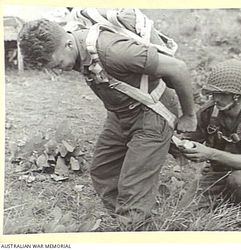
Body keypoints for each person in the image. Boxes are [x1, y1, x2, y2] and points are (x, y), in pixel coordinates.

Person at [18, 17, 197, 224]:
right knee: (104, 171)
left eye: (58, 64)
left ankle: (134, 223)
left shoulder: (112, 51)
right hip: (121, 114)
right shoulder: (75, 48)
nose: (58, 70)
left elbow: (178, 68)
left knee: (133, 188)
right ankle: (130, 218)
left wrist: (189, 116)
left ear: (68, 43)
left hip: (152, 114)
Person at [178, 59, 241, 214]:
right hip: (218, 173)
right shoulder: (209, 111)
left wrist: (210, 153)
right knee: (184, 212)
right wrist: (182, 145)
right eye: (214, 94)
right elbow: (190, 138)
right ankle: (227, 199)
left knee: (239, 180)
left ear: (237, 96)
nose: (216, 99)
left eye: (222, 95)